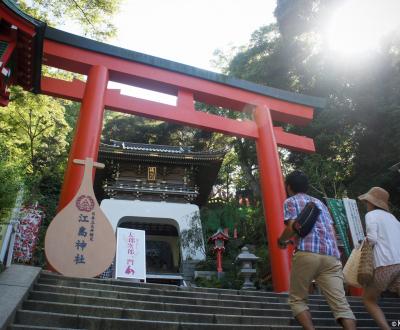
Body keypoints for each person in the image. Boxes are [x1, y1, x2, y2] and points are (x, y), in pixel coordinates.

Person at [278, 170, 356, 330]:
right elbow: (332, 230)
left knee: (297, 299)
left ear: (289, 187)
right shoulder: (320, 203)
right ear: (307, 187)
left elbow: (293, 226)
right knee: (341, 305)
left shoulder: (291, 201)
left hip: (307, 252)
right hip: (331, 256)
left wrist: (281, 240)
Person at [358, 186, 400, 330]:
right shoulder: (393, 218)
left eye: (367, 202)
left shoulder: (371, 215)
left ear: (371, 202)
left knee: (369, 300)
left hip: (384, 264)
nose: (366, 204)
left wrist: (361, 244)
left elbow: (372, 239)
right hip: (399, 264)